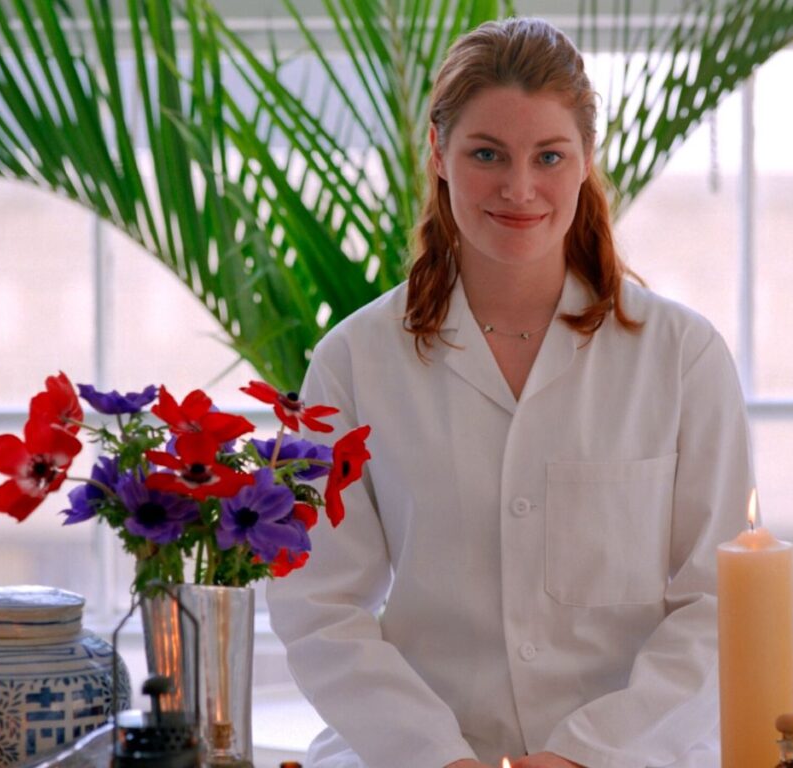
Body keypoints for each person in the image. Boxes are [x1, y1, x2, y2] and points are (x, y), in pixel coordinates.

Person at [267, 16, 753, 768]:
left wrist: (584, 755)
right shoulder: (353, 362)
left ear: (587, 159)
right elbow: (319, 604)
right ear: (438, 155)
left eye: (549, 156)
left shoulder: (682, 357)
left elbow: (720, 602)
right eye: (486, 154)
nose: (519, 188)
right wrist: (439, 757)